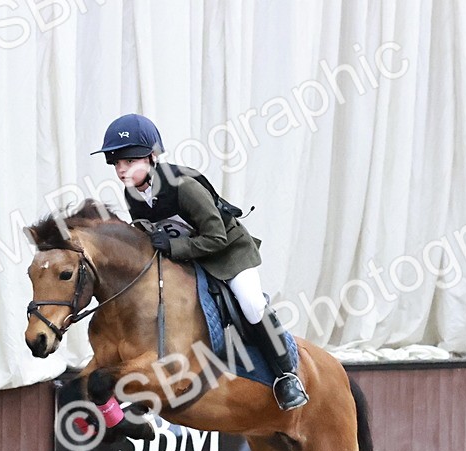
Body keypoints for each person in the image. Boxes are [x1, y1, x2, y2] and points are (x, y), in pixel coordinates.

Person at [91, 113, 309, 411]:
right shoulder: (133, 194)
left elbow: (217, 237)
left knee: (252, 304)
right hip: (187, 260)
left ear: (152, 157)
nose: (121, 170)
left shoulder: (182, 185)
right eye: (116, 163)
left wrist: (174, 246)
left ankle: (286, 376)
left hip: (227, 254)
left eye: (129, 162)